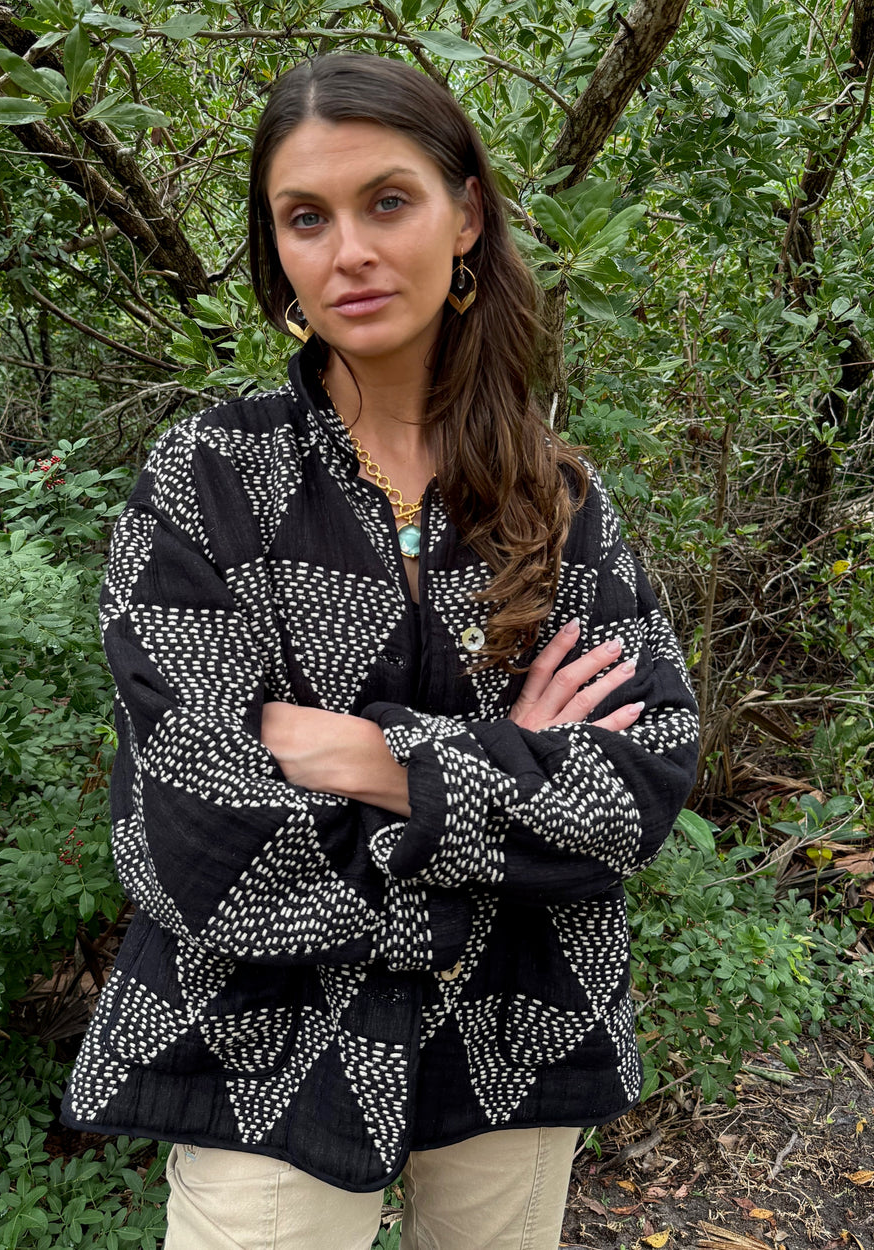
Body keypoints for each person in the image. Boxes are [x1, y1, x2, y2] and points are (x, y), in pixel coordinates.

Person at [61, 52, 699, 1250]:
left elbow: (643, 783)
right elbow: (192, 834)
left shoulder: (558, 500)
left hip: (517, 1032)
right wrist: (510, 776)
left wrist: (376, 759)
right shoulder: (208, 482)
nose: (347, 249)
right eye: (306, 217)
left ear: (466, 215)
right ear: (277, 249)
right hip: (263, 1043)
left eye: (387, 201)